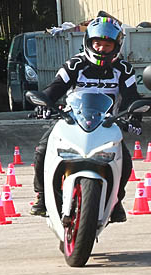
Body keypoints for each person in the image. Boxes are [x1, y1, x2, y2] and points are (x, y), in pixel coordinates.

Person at [30, 16, 141, 222]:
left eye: (107, 45)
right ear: (88, 42)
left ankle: (116, 201)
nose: (101, 49)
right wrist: (44, 104)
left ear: (116, 46)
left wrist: (133, 117)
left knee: (124, 161)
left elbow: (132, 97)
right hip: (72, 119)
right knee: (42, 149)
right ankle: (43, 197)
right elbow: (55, 88)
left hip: (107, 123)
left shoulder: (124, 70)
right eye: (97, 43)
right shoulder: (75, 64)